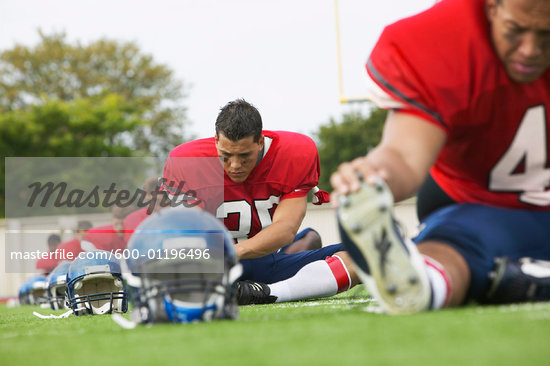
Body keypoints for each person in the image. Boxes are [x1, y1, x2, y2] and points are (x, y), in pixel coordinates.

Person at [331, 0, 550, 314]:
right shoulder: (445, 41)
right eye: (516, 30)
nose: (530, 49)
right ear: (492, 8)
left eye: (547, 35)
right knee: (453, 246)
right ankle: (422, 283)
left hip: (487, 214)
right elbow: (405, 156)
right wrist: (373, 176)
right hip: (484, 208)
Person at [162, 99, 360, 304]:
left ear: (260, 142)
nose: (235, 165)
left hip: (265, 260)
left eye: (245, 156)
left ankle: (267, 292)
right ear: (216, 141)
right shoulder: (186, 161)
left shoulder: (294, 153)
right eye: (226, 156)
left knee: (366, 254)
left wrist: (233, 252)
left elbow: (285, 228)